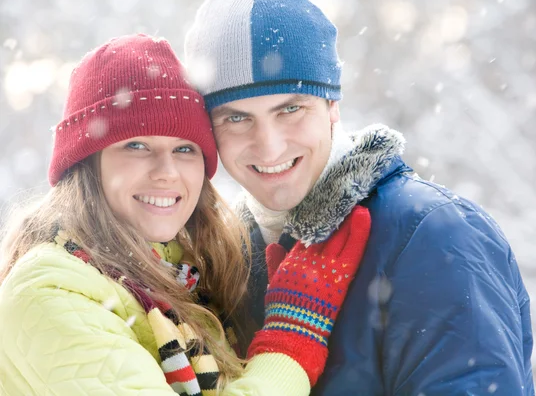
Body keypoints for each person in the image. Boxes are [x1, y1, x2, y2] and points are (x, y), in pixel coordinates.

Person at [184, 0, 535, 395]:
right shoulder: (222, 261)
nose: (269, 147)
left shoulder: (434, 235)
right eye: (236, 118)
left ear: (332, 104)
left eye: (290, 109)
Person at [0, 34, 371, 396]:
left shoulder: (186, 273)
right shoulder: (51, 293)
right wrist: (292, 336)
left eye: (184, 149)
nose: (166, 172)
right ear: (85, 165)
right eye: (137, 145)